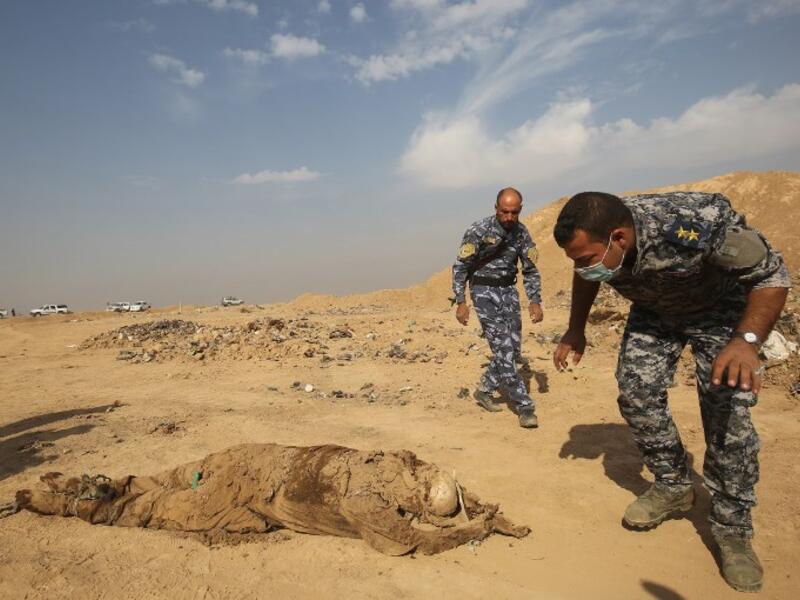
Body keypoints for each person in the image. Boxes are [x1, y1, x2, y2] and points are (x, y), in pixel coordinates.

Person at [552, 191, 790, 592]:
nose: (582, 267)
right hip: (655, 313)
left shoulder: (693, 227)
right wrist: (577, 328)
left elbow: (772, 275)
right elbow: (585, 274)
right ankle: (674, 485)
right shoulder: (601, 250)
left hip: (720, 313)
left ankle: (733, 529)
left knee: (725, 414)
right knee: (636, 391)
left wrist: (747, 341)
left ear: (619, 239)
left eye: (587, 259)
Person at [10, 443, 529, 555]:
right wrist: (477, 527)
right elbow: (414, 541)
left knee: (151, 482)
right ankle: (56, 499)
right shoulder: (371, 501)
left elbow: (443, 484)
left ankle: (72, 485)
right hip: (249, 491)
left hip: (250, 457)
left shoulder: (394, 462)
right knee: (136, 509)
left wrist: (482, 511)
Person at [452, 187, 544, 428]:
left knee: (512, 350)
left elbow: (531, 269)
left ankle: (484, 390)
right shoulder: (478, 230)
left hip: (509, 292)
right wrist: (461, 301)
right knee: (503, 349)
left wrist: (535, 300)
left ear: (520, 210)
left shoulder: (522, 233)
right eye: (505, 212)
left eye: (514, 212)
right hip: (483, 292)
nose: (509, 217)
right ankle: (524, 406)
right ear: (496, 208)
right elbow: (461, 267)